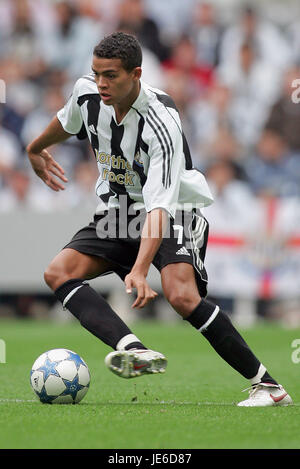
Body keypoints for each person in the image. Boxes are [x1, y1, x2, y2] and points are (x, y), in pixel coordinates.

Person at [26, 32, 292, 407]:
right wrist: (35, 148)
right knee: (58, 272)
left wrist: (139, 269)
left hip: (173, 210)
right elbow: (65, 120)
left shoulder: (161, 124)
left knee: (182, 296)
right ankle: (133, 349)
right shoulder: (87, 93)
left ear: (136, 74)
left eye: (111, 75)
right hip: (119, 211)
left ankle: (268, 386)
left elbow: (159, 210)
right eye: (97, 73)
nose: (101, 82)